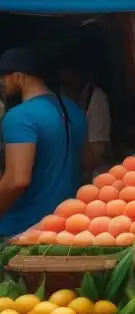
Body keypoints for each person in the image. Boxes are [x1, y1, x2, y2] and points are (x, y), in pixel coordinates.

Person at [0, 48, 87, 237]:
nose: (1, 83)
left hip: (22, 228)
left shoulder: (19, 117)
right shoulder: (73, 110)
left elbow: (17, 180)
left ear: (18, 77)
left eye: (3, 76)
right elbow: (88, 161)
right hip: (65, 225)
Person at [57, 56, 111, 182]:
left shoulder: (95, 97)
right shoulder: (60, 96)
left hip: (91, 172)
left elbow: (96, 151)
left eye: (69, 73)